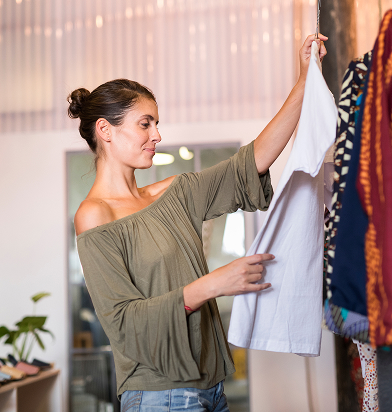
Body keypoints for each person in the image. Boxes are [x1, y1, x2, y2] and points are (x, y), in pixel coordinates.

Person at [69, 33, 327, 412]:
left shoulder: (174, 194)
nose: (157, 135)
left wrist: (305, 80)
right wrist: (213, 284)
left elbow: (251, 162)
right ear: (106, 130)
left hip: (211, 387)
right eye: (145, 123)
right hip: (158, 393)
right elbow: (123, 322)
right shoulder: (94, 215)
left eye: (156, 123)